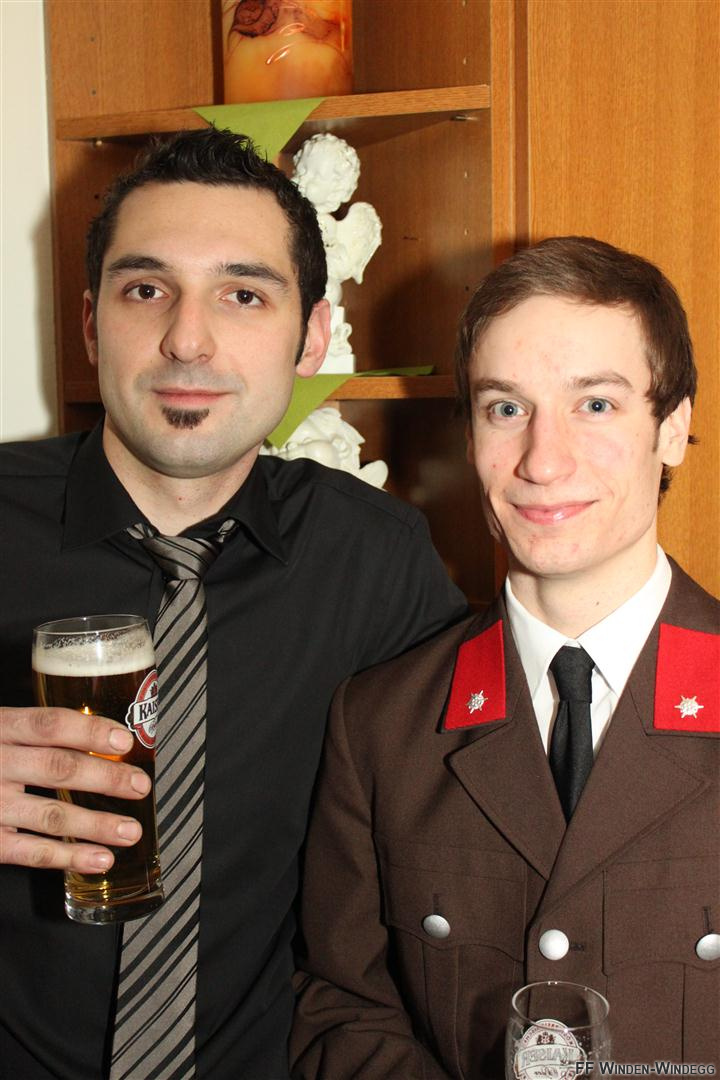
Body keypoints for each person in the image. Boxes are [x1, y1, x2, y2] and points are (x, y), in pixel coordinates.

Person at [0, 128, 466, 1079]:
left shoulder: (377, 559)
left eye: (243, 294)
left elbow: (489, 810)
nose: (188, 339)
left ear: (313, 338)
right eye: (145, 290)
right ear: (90, 325)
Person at [290, 237, 719, 1078]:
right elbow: (341, 1006)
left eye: (595, 404)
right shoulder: (379, 726)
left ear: (672, 426)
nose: (542, 461)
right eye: (506, 408)